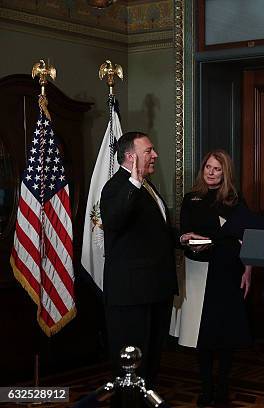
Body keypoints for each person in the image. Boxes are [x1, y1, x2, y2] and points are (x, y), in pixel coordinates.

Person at [100, 131, 200, 385]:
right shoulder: (116, 187)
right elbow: (114, 220)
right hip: (132, 293)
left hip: (155, 289)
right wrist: (133, 183)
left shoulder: (145, 185)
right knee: (131, 360)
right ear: (131, 157)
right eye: (149, 151)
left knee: (152, 358)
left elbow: (152, 230)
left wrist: (179, 238)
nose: (155, 155)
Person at [179, 150, 254, 407]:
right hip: (199, 270)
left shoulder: (234, 200)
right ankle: (206, 387)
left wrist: (248, 270)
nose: (211, 172)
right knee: (203, 335)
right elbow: (185, 233)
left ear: (226, 173)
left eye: (217, 169)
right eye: (208, 167)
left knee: (225, 333)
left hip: (228, 271)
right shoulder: (191, 199)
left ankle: (222, 386)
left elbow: (246, 239)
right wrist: (194, 241)